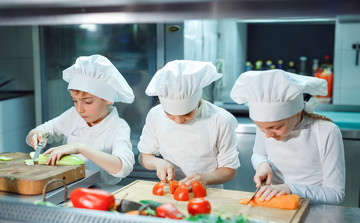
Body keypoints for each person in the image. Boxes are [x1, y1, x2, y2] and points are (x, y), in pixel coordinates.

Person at [230, 69, 345, 204]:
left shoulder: (326, 131)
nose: (267, 135)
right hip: (275, 207)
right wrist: (263, 165)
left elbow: (335, 194)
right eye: (262, 127)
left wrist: (291, 189)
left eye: (277, 127)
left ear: (297, 112)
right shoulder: (267, 127)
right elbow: (259, 153)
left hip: (314, 213)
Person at [26, 54, 135, 185]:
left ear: (108, 99)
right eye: (74, 101)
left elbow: (123, 168)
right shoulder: (72, 116)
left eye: (88, 102)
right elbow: (39, 131)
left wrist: (81, 148)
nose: (79, 109)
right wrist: (36, 135)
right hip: (66, 186)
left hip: (102, 193)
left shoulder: (118, 127)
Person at [137, 60, 240, 188]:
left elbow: (229, 170)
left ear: (197, 101)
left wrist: (205, 178)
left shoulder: (221, 120)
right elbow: (144, 156)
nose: (179, 121)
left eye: (187, 114)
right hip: (171, 190)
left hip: (208, 192)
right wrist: (158, 163)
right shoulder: (155, 114)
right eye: (169, 114)